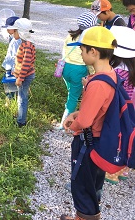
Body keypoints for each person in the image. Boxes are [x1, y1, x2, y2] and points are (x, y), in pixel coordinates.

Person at [61, 26, 118, 220]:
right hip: (100, 141)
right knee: (92, 183)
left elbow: (86, 121)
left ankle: (85, 216)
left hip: (88, 142)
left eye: (82, 49)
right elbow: (99, 108)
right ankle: (83, 216)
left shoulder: (97, 83)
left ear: (93, 52)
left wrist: (73, 125)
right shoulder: (111, 74)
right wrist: (77, 112)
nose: (81, 53)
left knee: (82, 185)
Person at [103, 26, 135, 184]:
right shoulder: (132, 69)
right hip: (131, 109)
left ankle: (112, 172)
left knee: (115, 138)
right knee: (128, 135)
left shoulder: (115, 71)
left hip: (117, 109)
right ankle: (124, 170)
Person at [56, 11, 97, 130]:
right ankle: (65, 123)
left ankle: (69, 110)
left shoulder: (70, 35)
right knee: (73, 97)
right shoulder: (88, 40)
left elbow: (64, 51)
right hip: (78, 70)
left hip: (66, 68)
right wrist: (94, 73)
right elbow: (89, 59)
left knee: (71, 92)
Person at [12, 18, 35, 127]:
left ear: (21, 32)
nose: (13, 33)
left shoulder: (26, 45)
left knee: (22, 98)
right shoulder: (26, 44)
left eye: (15, 30)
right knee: (22, 97)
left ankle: (21, 121)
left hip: (25, 77)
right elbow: (21, 62)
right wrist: (15, 72)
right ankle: (21, 116)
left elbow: (26, 64)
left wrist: (20, 78)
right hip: (24, 75)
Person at [1, 16, 21, 100]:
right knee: (9, 82)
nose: (7, 30)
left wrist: (14, 69)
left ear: (16, 29)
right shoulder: (13, 38)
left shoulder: (18, 41)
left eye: (9, 28)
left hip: (13, 67)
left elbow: (16, 57)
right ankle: (10, 98)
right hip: (9, 66)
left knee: (11, 82)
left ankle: (11, 99)